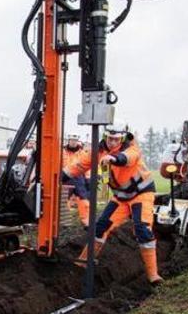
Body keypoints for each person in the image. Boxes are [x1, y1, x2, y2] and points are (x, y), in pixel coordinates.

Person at [63, 121, 164, 285]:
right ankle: (82, 262)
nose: (113, 142)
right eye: (110, 138)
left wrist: (114, 158)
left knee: (142, 229)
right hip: (121, 197)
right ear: (105, 137)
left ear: (122, 138)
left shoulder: (132, 148)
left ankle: (153, 275)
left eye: (117, 139)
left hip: (141, 194)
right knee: (100, 227)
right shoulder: (97, 151)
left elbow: (127, 158)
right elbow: (78, 166)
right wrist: (59, 177)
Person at [62, 134, 90, 227]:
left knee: (83, 198)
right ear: (68, 140)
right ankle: (64, 222)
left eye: (75, 140)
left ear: (78, 141)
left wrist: (88, 179)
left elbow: (87, 166)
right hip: (65, 177)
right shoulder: (61, 152)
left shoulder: (83, 153)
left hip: (79, 178)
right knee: (63, 199)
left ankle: (86, 221)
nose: (73, 142)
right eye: (71, 140)